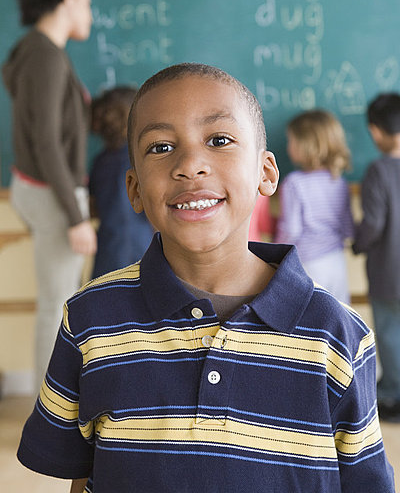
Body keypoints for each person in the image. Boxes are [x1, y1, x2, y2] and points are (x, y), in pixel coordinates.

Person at [17, 64, 394, 492]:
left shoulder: (338, 335)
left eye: (219, 140)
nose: (190, 164)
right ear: (135, 189)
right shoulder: (89, 320)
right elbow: (81, 475)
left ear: (266, 174)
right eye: (160, 147)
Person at [2, 0, 97, 393]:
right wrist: (75, 217)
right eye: (87, 2)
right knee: (56, 307)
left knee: (56, 303)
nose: (90, 14)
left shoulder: (32, 51)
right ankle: (47, 418)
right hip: (52, 194)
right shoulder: (45, 56)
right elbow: (45, 142)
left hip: (39, 189)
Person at [353, 92, 400, 423]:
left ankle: (394, 396)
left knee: (389, 333)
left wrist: (358, 244)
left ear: (375, 131)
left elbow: (373, 223)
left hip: (389, 273)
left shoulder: (378, 171)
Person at [275, 110, 354, 304]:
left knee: (310, 320)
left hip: (308, 264)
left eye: (291, 141)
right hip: (336, 262)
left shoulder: (295, 183)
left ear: (305, 145)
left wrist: (275, 252)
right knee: (339, 315)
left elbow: (291, 230)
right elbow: (348, 228)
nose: (288, 146)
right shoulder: (339, 181)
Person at [90, 86, 153, 278]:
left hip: (108, 249)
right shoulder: (145, 159)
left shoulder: (100, 161)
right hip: (142, 245)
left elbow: (94, 205)